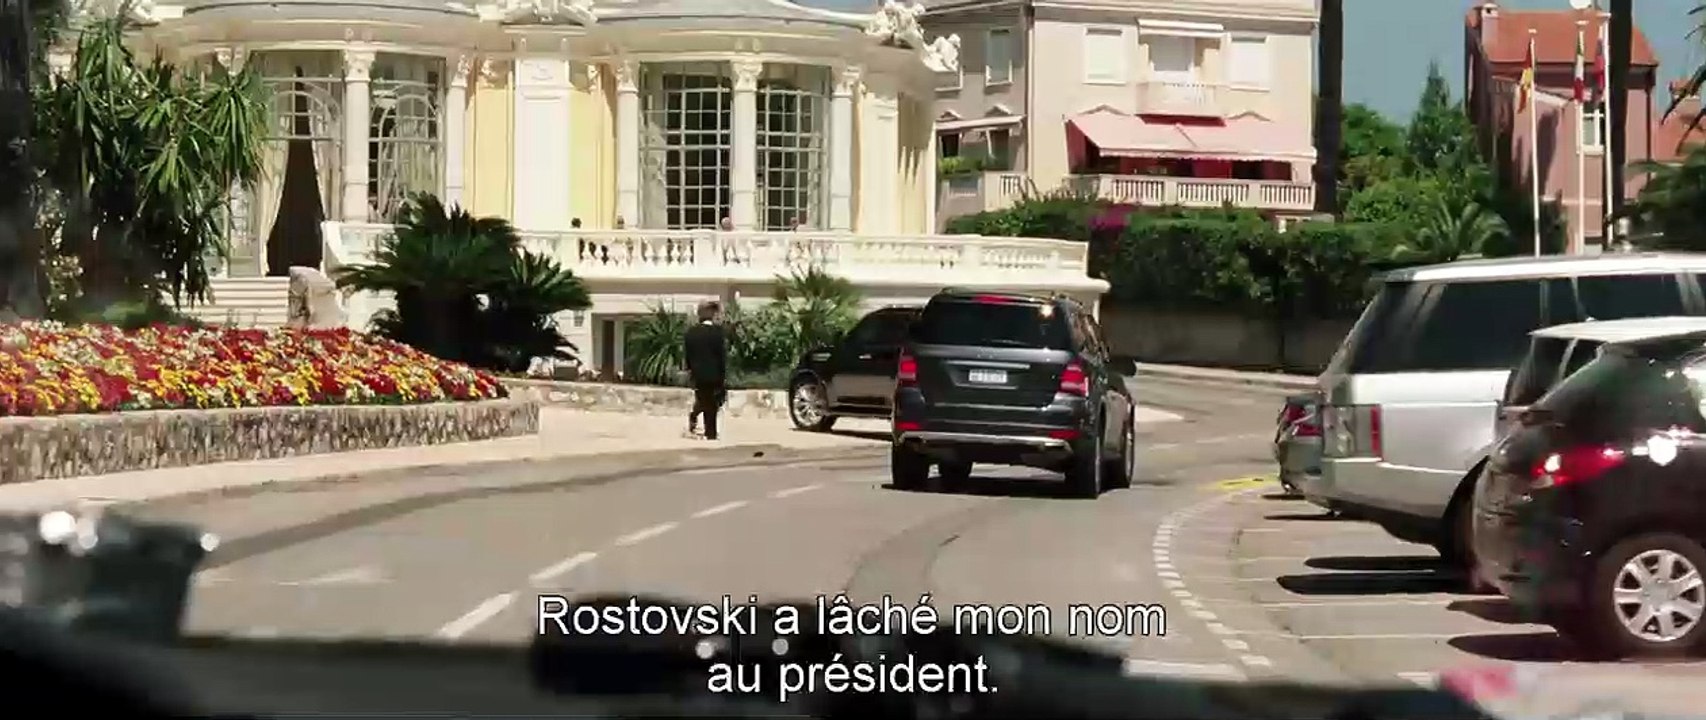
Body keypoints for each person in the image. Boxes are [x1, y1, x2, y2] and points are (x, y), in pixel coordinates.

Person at [683, 300, 728, 440]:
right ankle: (711, 431)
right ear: (713, 314)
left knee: (703, 398)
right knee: (712, 402)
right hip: (714, 373)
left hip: (698, 373)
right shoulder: (717, 333)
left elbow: (688, 355)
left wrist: (690, 370)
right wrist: (723, 374)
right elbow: (721, 356)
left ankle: (696, 417)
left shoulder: (691, 333)